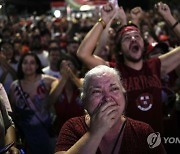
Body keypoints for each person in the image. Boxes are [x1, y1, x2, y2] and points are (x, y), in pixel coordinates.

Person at [77, 2, 180, 133]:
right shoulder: (114, 71)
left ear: (143, 44)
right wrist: (103, 20)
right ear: (119, 50)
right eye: (127, 38)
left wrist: (168, 17)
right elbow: (83, 54)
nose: (133, 39)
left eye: (137, 36)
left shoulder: (156, 66)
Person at [55, 65, 166, 154]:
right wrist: (95, 132)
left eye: (114, 89)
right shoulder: (73, 127)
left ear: (124, 96)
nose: (107, 98)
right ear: (85, 101)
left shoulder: (143, 131)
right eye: (97, 91)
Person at [9, 52, 57, 154]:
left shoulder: (46, 80)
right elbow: (12, 111)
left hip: (45, 131)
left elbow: (59, 83)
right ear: (21, 65)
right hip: (26, 135)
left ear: (37, 65)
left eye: (32, 63)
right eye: (25, 62)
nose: (28, 66)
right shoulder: (14, 86)